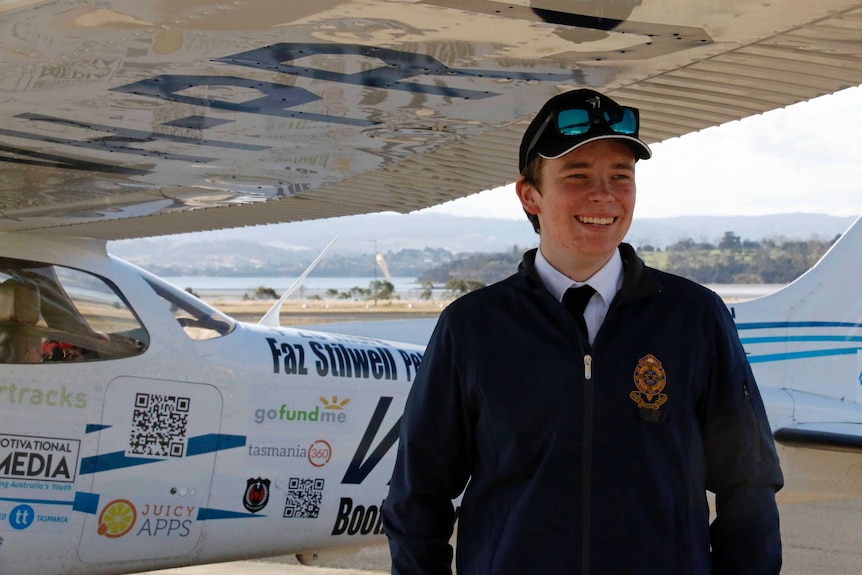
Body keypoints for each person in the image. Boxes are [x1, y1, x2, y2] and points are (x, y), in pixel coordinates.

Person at [382, 88, 783, 574]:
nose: (604, 194)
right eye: (578, 176)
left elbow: (750, 485)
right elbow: (416, 496)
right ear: (530, 195)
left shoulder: (696, 318)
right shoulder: (471, 328)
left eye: (621, 176)